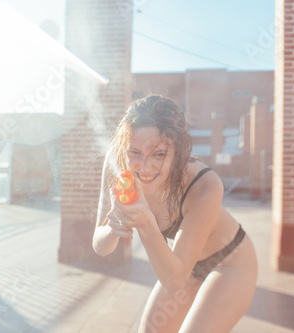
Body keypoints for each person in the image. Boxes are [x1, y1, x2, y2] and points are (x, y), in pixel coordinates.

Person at [92, 95, 258, 333]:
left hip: (230, 261)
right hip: (184, 266)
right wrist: (113, 228)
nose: (145, 166)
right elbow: (99, 245)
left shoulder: (205, 185)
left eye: (159, 154)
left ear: (177, 152)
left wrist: (146, 223)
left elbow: (174, 282)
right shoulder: (117, 164)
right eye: (135, 152)